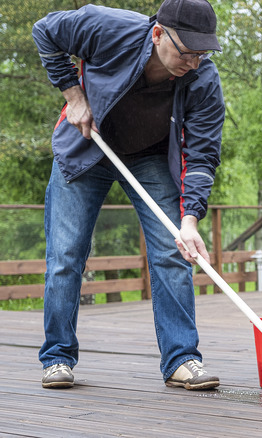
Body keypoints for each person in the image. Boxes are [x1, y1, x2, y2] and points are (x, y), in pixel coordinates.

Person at [32, 0, 224, 390]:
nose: (194, 63)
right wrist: (74, 95)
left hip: (148, 157)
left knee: (173, 250)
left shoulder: (203, 79)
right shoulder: (106, 27)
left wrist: (189, 220)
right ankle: (57, 358)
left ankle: (181, 359)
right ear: (158, 35)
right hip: (88, 147)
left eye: (202, 54)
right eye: (186, 53)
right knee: (66, 255)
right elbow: (45, 31)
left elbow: (201, 154)